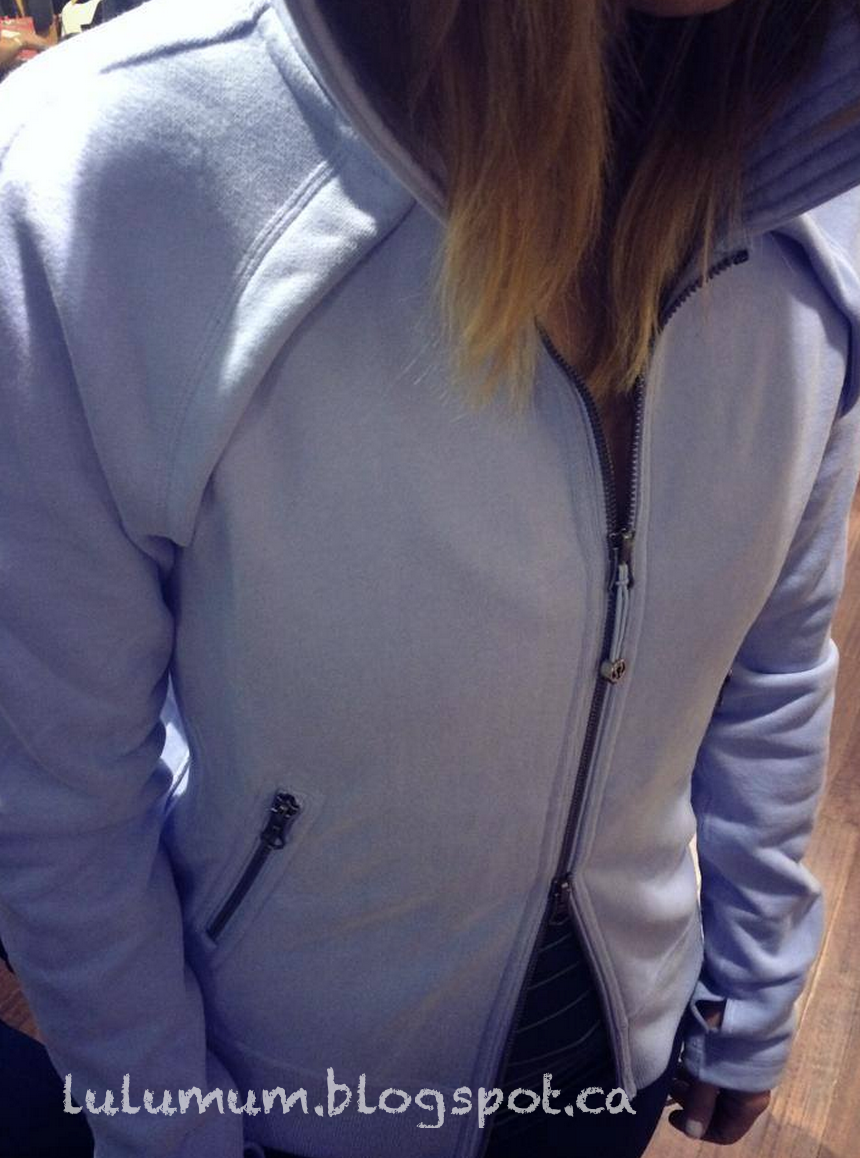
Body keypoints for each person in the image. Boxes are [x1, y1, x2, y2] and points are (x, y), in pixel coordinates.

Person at [1, 0, 860, 1156]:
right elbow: (58, 787)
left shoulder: (825, 193)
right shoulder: (101, 168)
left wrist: (755, 968)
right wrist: (164, 1127)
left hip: (616, 1057)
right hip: (282, 1089)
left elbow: (773, 658)